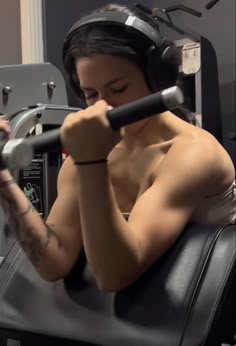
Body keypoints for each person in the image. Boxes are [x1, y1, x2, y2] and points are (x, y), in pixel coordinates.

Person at [0, 3, 235, 292]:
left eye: (119, 89)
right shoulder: (91, 151)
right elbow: (54, 262)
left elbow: (113, 276)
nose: (103, 107)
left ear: (157, 79)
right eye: (90, 94)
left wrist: (91, 163)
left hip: (204, 323)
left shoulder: (192, 154)